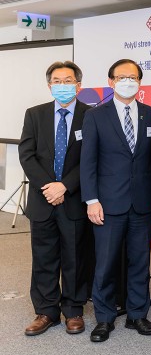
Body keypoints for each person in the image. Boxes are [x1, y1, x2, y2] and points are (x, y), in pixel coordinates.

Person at [80, 59, 151, 342]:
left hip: (141, 203)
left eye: (133, 77)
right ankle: (104, 318)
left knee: (140, 261)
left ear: (140, 82)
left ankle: (137, 314)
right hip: (108, 203)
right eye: (122, 77)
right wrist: (92, 200)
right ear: (111, 82)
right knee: (106, 263)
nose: (128, 81)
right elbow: (87, 162)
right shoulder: (96, 116)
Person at [19, 61, 92, 336]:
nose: (63, 85)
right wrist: (49, 187)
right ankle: (46, 311)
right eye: (57, 81)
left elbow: (90, 158)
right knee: (44, 257)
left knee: (75, 257)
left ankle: (73, 310)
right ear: (50, 85)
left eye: (68, 80)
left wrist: (65, 186)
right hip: (42, 199)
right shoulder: (34, 114)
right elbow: (27, 154)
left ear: (79, 84)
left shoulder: (91, 115)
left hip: (73, 199)